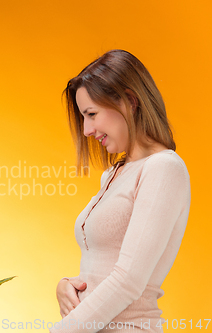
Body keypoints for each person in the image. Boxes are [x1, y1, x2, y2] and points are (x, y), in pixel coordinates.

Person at [52, 50, 191, 332]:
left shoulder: (164, 168)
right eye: (83, 117)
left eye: (91, 114)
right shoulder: (113, 174)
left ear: (129, 100)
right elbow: (101, 262)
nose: (87, 129)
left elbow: (129, 279)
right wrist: (65, 286)